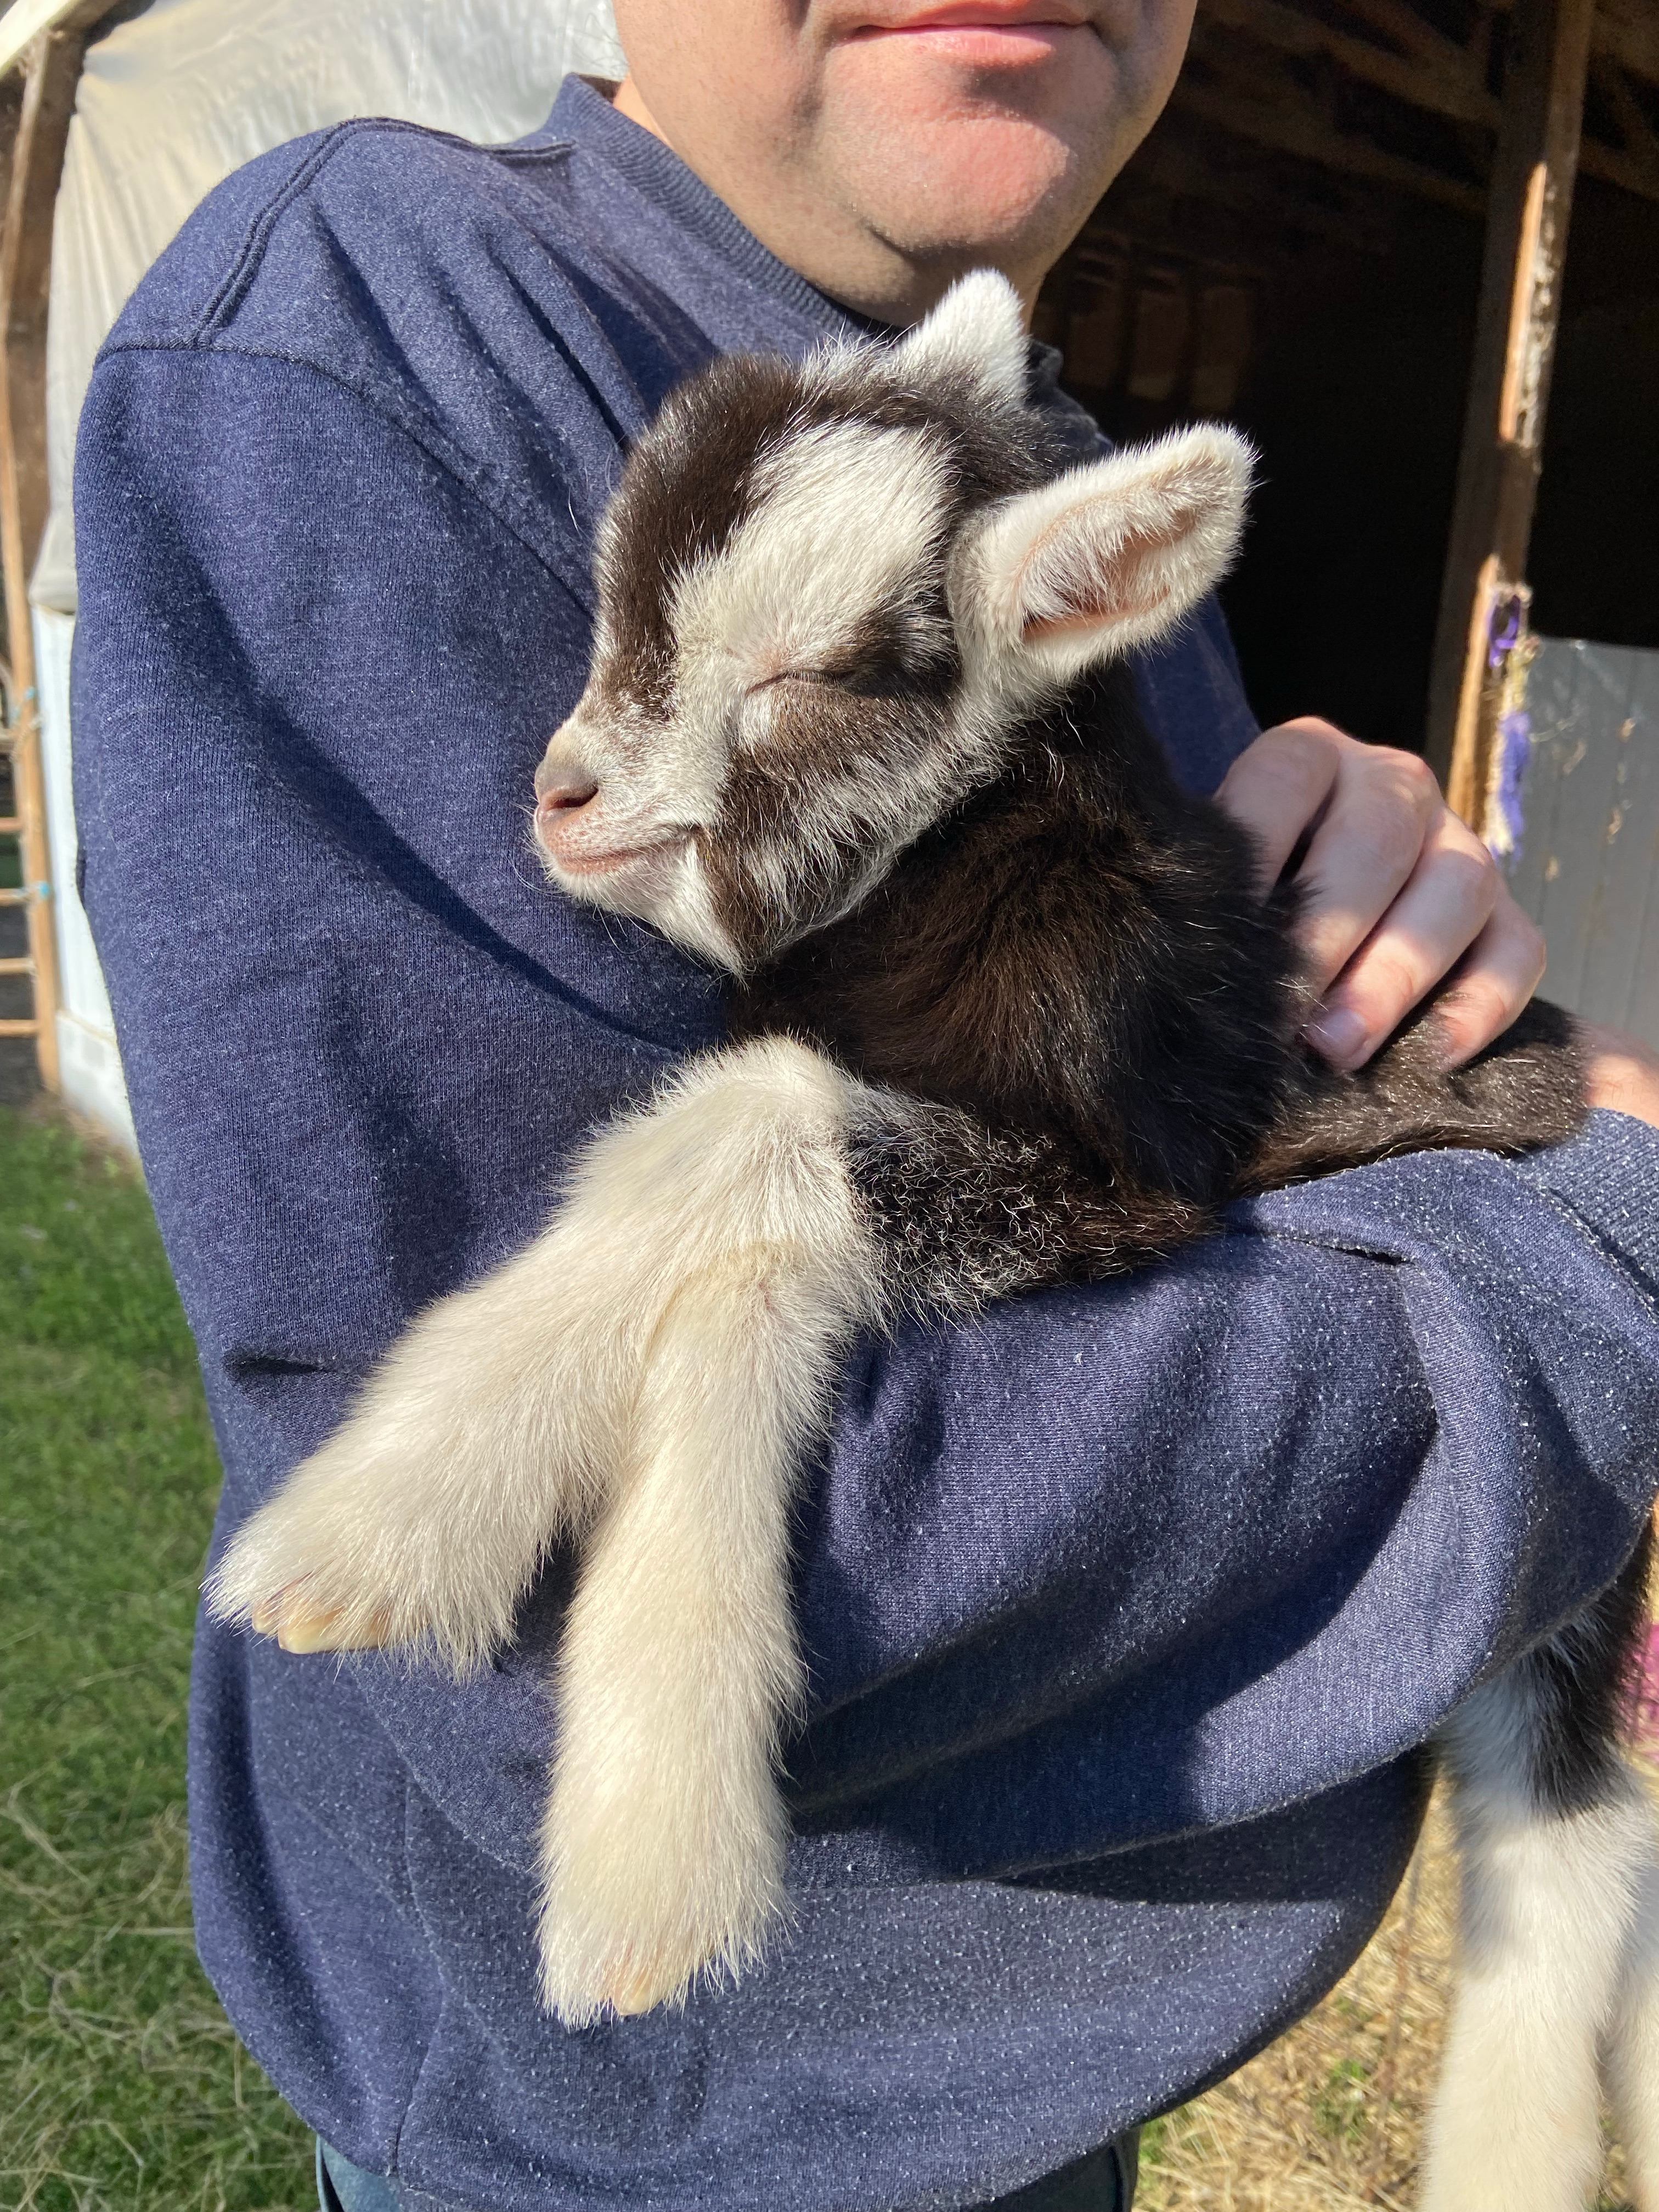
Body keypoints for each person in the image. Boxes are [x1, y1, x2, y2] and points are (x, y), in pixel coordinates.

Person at [70, 5, 1659, 2209]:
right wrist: (1589, 1241)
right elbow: (560, 1610)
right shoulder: (381, 328)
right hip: (641, 2139)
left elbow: (1152, 1161)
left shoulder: (1014, 443)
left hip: (1059, 2074)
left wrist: (1326, 894)